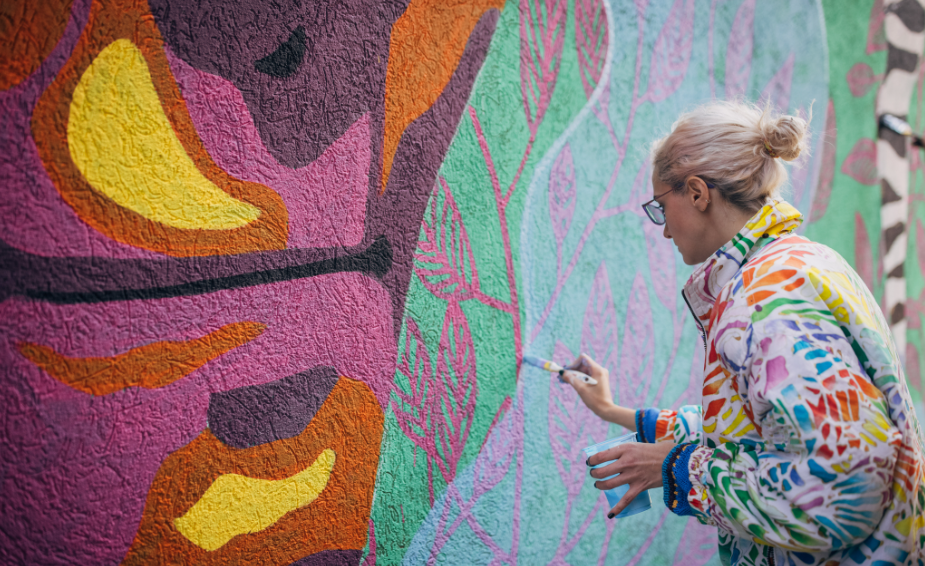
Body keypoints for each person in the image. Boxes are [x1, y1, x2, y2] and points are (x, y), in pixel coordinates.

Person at [563, 100, 925, 566]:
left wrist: (678, 469)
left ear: (696, 193)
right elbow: (765, 430)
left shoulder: (762, 301)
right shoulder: (796, 265)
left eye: (660, 206)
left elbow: (845, 487)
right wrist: (620, 414)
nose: (665, 230)